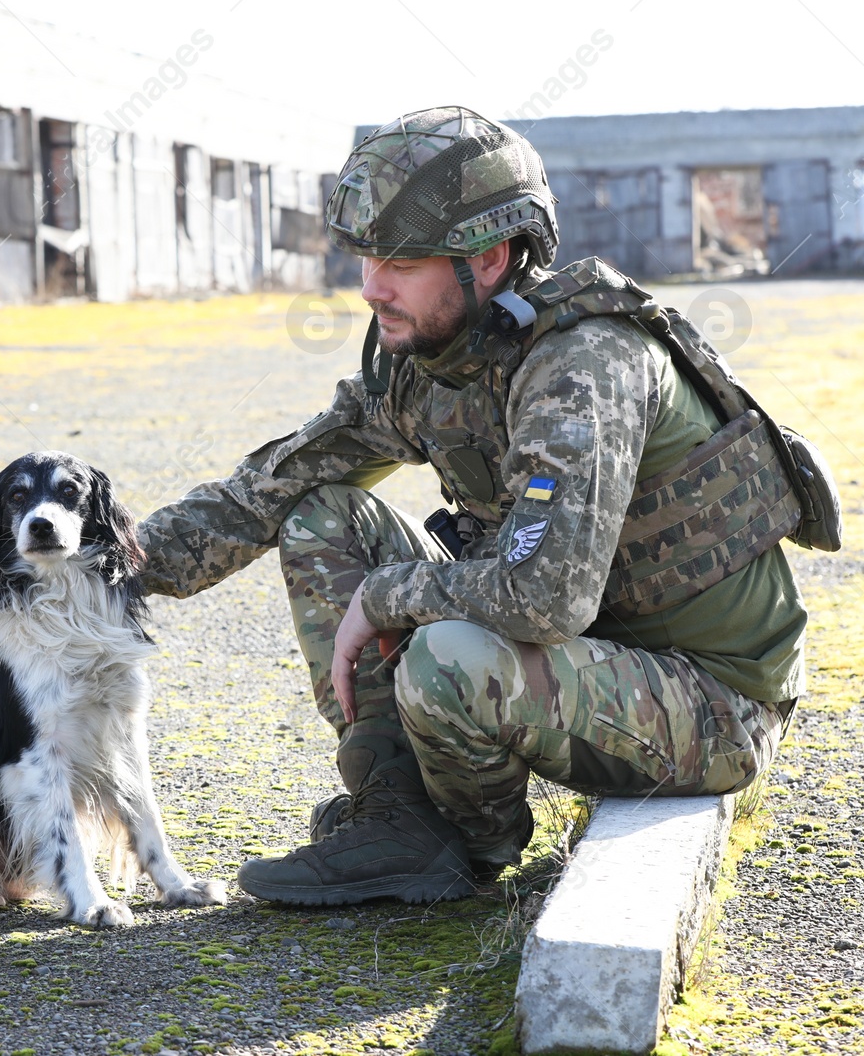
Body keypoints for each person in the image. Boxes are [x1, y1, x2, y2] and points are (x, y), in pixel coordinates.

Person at [135, 106, 806, 906]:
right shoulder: (435, 357)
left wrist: (386, 597)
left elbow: (545, 594)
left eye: (401, 261)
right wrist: (106, 560)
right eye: (367, 258)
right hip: (590, 660)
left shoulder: (583, 363)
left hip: (712, 704)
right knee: (324, 517)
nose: (370, 286)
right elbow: (271, 488)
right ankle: (401, 812)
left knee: (446, 655)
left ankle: (466, 843)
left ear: (489, 258)